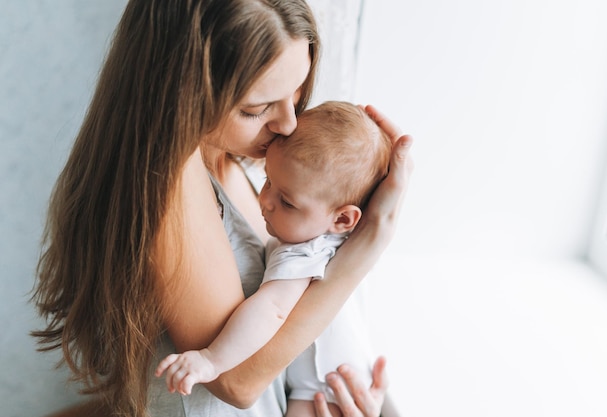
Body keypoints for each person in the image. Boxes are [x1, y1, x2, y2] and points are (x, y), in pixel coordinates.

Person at [30, 1, 413, 417]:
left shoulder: (238, 159)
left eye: (297, 92)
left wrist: (347, 393)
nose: (288, 123)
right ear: (186, 91)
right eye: (256, 108)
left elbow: (288, 343)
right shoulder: (170, 184)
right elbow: (236, 382)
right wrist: (369, 243)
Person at [155, 101, 391, 417]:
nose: (265, 200)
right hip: (340, 385)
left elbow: (273, 309)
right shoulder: (336, 236)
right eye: (267, 180)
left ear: (344, 219)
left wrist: (212, 359)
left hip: (324, 393)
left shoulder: (305, 251)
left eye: (287, 202)